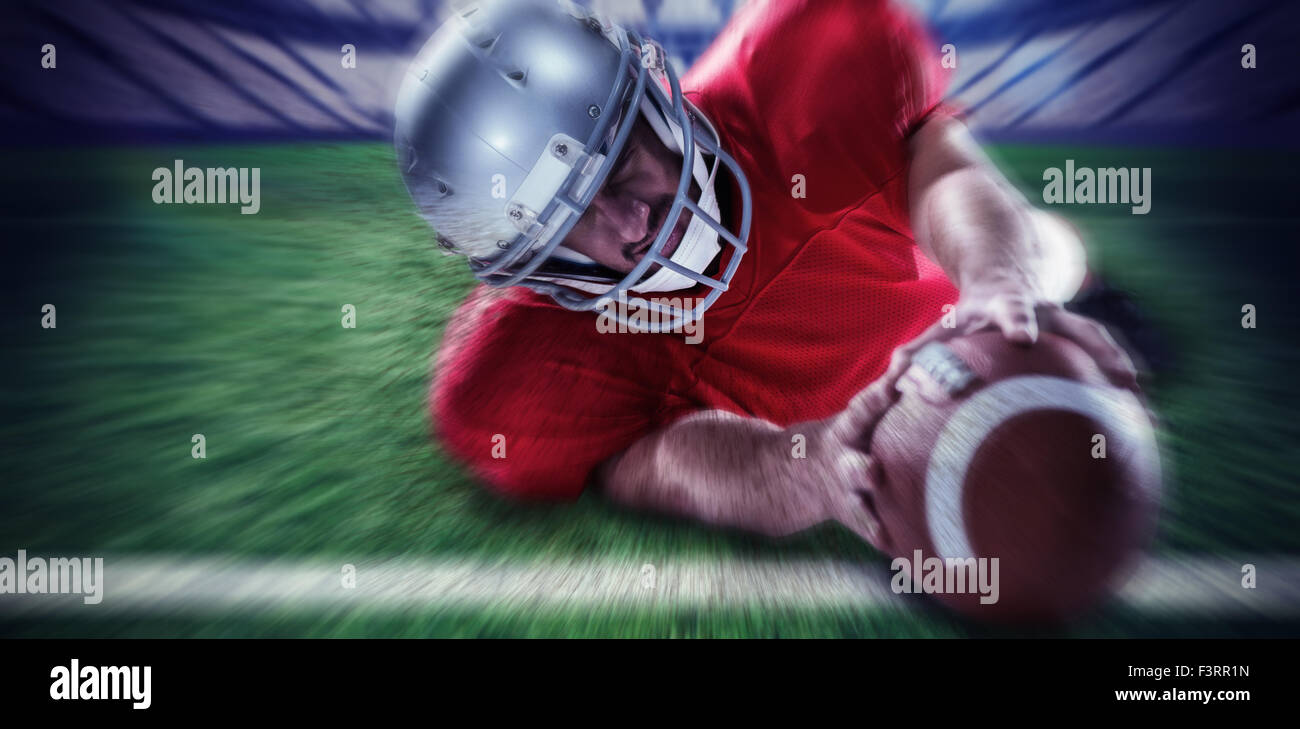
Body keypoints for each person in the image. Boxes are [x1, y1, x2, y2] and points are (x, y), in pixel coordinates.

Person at [393, 0, 1138, 545]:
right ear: (523, 272)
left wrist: (999, 277)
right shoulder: (527, 370)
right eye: (568, 228)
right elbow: (650, 464)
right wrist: (811, 466)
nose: (630, 229)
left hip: (934, 286)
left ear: (654, 91)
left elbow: (944, 172)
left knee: (1042, 256)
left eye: (619, 168)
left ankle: (1077, 285)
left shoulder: (807, 53)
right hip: (835, 406)